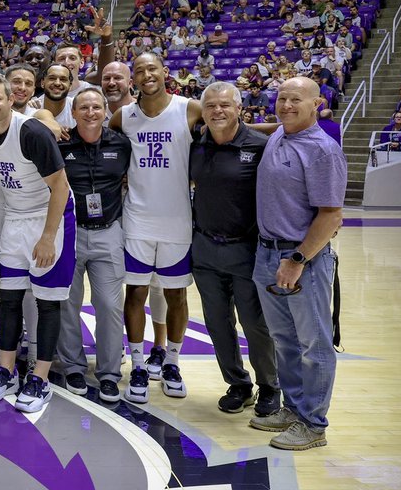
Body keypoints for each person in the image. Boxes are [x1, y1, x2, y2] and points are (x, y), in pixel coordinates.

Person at [0, 75, 72, 413]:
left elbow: (60, 186)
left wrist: (48, 236)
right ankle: (6, 371)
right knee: (10, 297)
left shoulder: (30, 132)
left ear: (10, 100)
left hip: (52, 215)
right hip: (15, 217)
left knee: (47, 302)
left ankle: (41, 378)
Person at [249, 77, 345, 450]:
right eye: (281, 98)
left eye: (296, 100)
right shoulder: (281, 134)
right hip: (267, 252)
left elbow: (331, 215)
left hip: (302, 258)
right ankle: (294, 408)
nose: (286, 105)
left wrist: (297, 259)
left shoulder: (322, 150)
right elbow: (274, 125)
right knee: (285, 340)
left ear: (317, 104)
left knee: (314, 343)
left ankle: (314, 424)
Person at [110, 53, 200, 404]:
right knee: (136, 294)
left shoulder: (189, 108)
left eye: (152, 69)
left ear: (165, 72)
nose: (147, 75)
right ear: (133, 78)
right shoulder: (124, 117)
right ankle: (137, 364)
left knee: (176, 295)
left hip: (178, 219)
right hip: (137, 220)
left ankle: (173, 363)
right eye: (140, 71)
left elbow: (234, 125)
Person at [189, 82, 281, 416]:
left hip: (247, 250)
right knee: (216, 322)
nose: (217, 111)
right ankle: (238, 384)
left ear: (239, 108)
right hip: (205, 250)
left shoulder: (260, 146)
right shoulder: (196, 145)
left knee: (254, 323)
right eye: (210, 106)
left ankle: (269, 387)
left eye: (224, 105)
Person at [55, 87, 131, 402]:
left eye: (96, 107)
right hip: (70, 231)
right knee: (67, 304)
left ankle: (109, 373)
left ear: (105, 111)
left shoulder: (122, 144)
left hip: (108, 231)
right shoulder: (60, 144)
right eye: (83, 107)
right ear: (73, 113)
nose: (90, 112)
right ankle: (73, 366)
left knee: (110, 307)